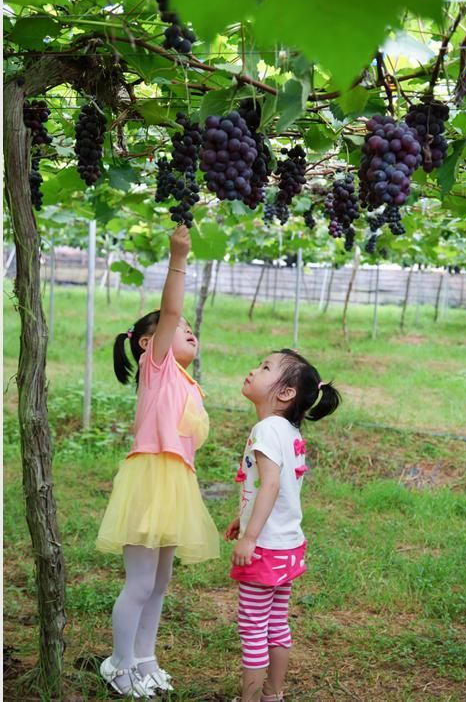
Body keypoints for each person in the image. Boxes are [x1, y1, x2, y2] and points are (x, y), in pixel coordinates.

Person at [96, 225, 219, 698]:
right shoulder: (159, 366)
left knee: (161, 582)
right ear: (150, 343)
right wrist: (178, 256)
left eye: (191, 331)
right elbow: (170, 309)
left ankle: (145, 658)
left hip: (175, 484)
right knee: (141, 581)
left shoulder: (188, 383)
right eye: (178, 329)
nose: (188, 330)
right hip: (150, 479)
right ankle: (119, 662)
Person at [225, 349, 341, 702]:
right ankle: (272, 695)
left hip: (264, 549)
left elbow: (271, 484)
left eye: (264, 368)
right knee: (277, 624)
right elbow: (278, 488)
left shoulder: (265, 430)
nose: (253, 369)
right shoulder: (288, 431)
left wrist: (251, 536)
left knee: (253, 629)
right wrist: (241, 519)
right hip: (288, 547)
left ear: (286, 392)